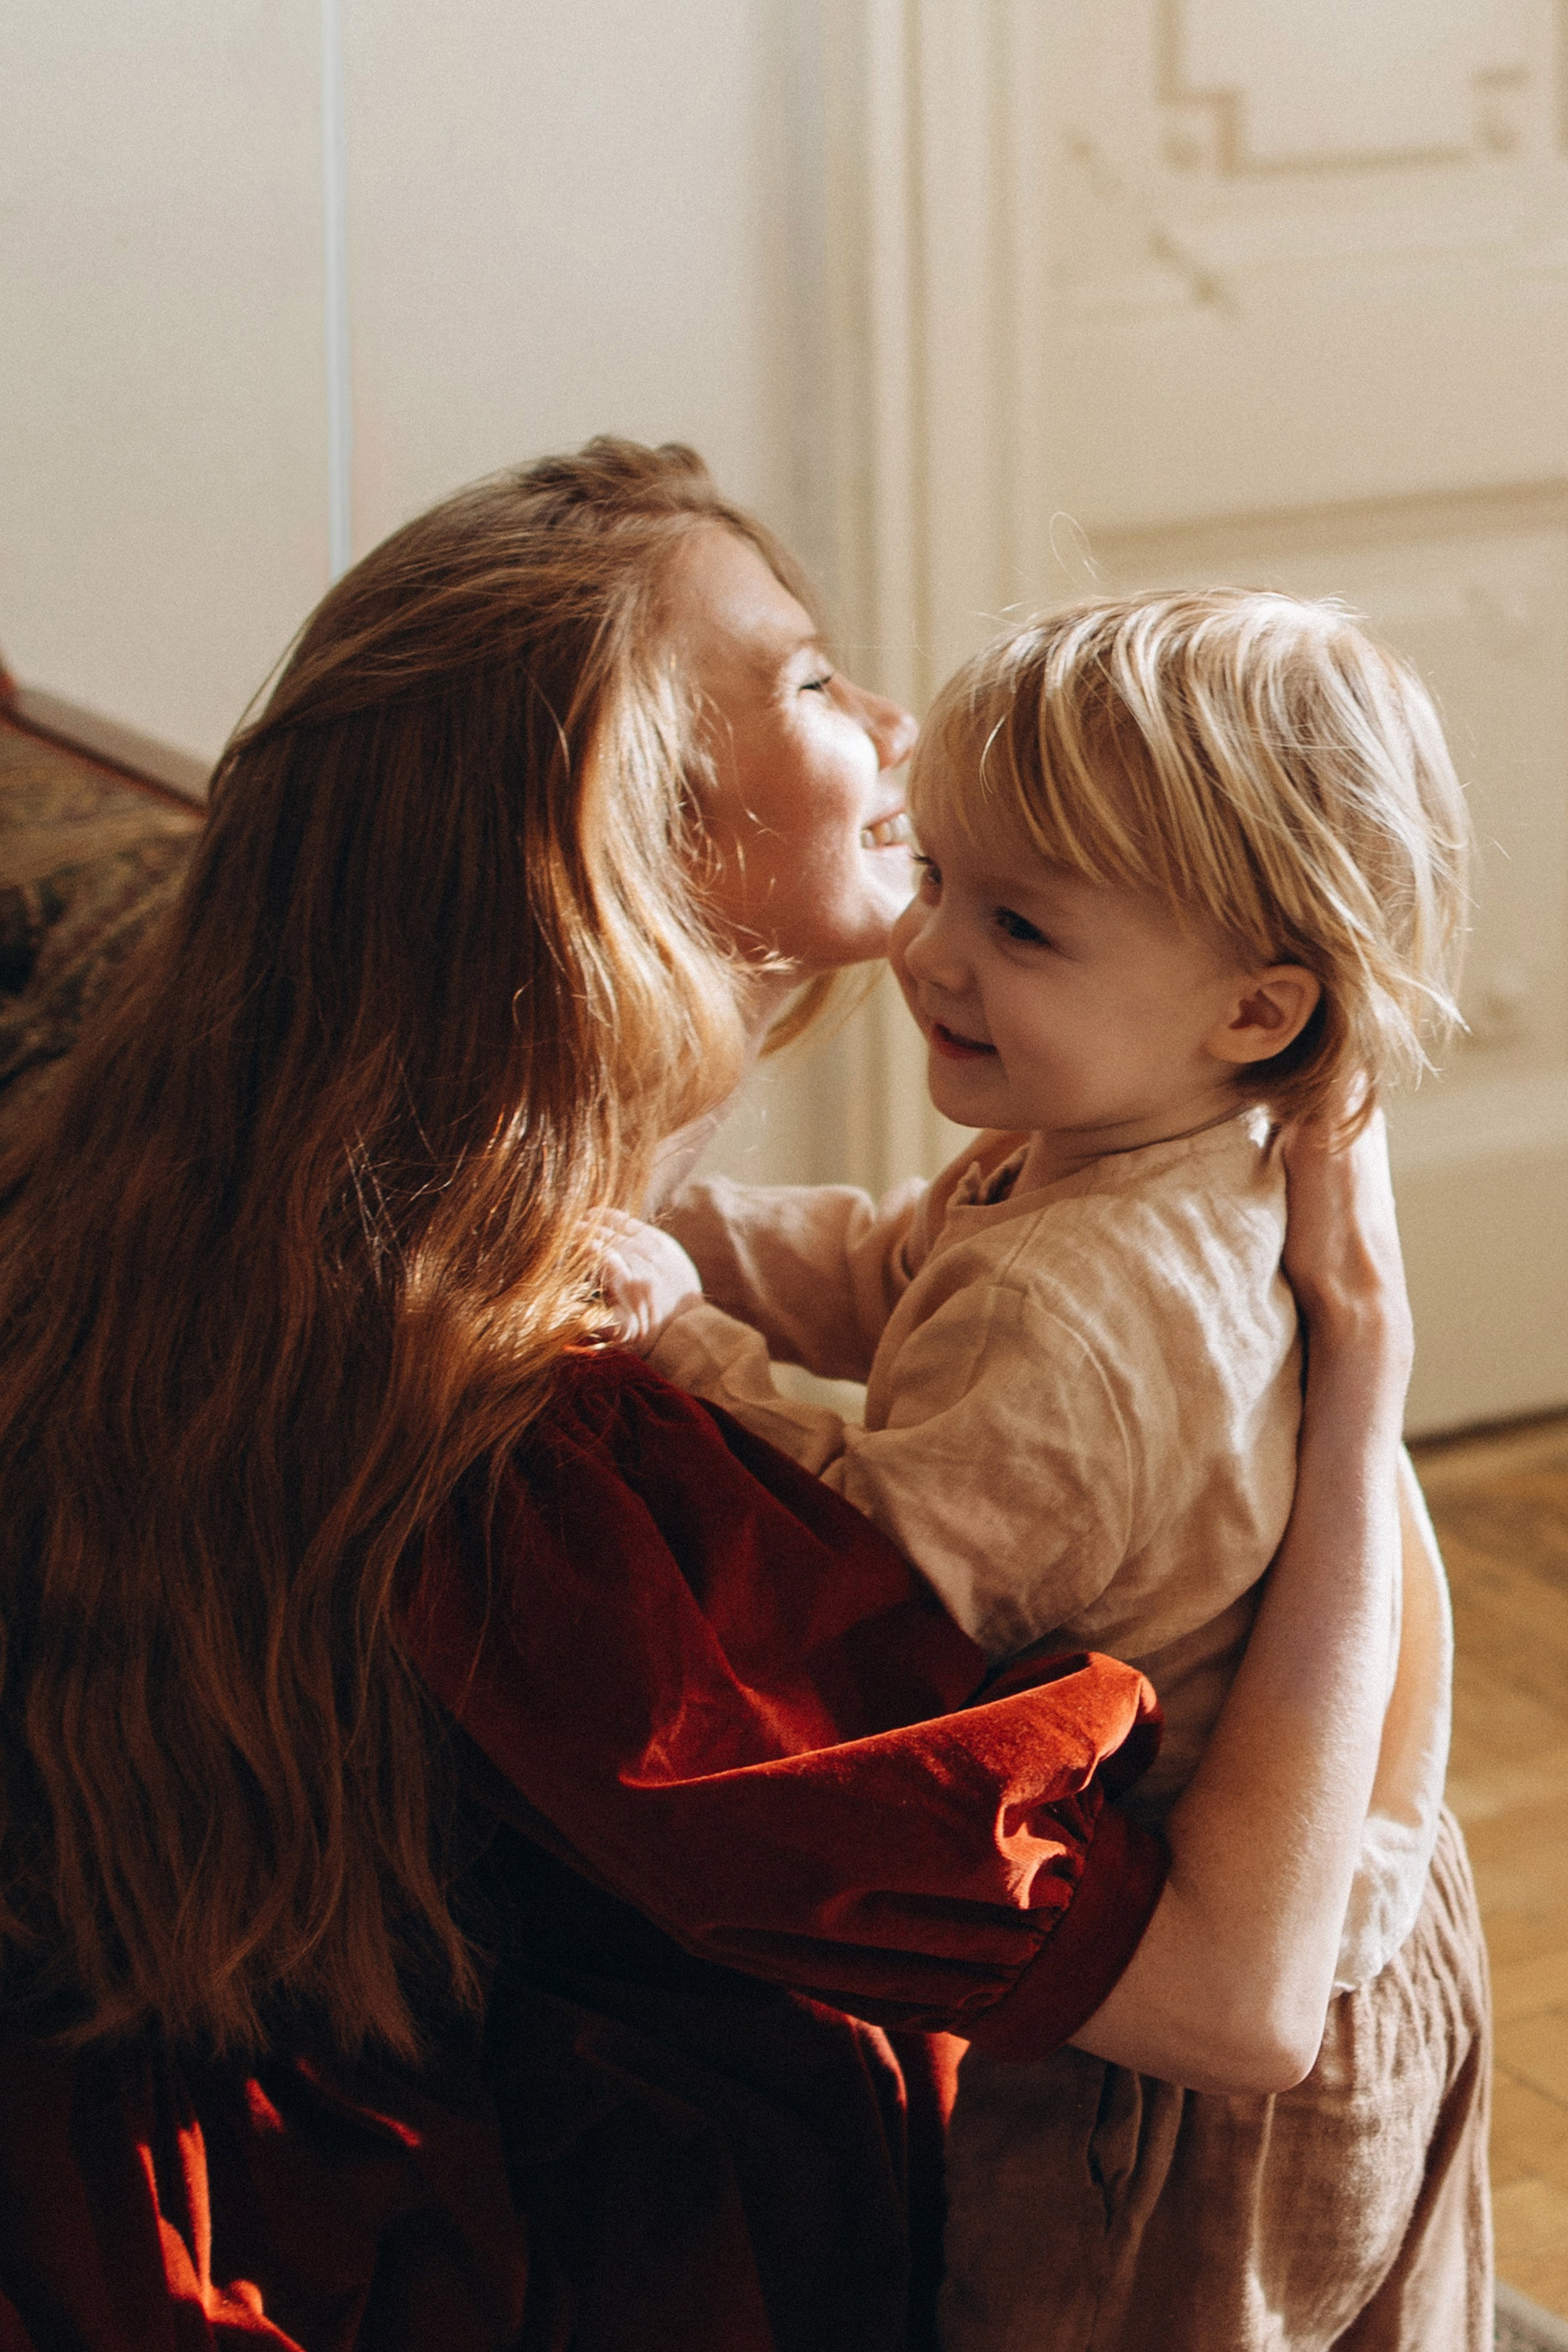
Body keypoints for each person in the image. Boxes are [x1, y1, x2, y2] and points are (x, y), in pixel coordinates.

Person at [0, 441, 1434, 2352]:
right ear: (616, 821)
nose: (897, 722)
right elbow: (1237, 2006)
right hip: (401, 2204)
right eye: (811, 677)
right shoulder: (543, 1425)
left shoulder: (309, 1140)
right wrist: (1359, 1412)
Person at [611, 589, 1491, 2346]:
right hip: (1382, 1922)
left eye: (1021, 924)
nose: (935, 952)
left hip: (1188, 2085)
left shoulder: (1087, 1310)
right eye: (941, 877)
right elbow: (889, 1272)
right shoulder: (1134, 1150)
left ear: (1256, 1009)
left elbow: (868, 1563)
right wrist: (684, 1233)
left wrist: (665, 1344)